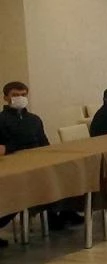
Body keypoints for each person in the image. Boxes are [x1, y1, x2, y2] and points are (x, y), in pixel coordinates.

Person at [0, 82, 79, 244]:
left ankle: (60, 213)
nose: (20, 98)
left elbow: (43, 143)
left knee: (63, 173)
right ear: (5, 97)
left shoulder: (34, 119)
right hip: (14, 167)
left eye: (23, 94)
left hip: (38, 163)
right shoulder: (1, 120)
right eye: (15, 95)